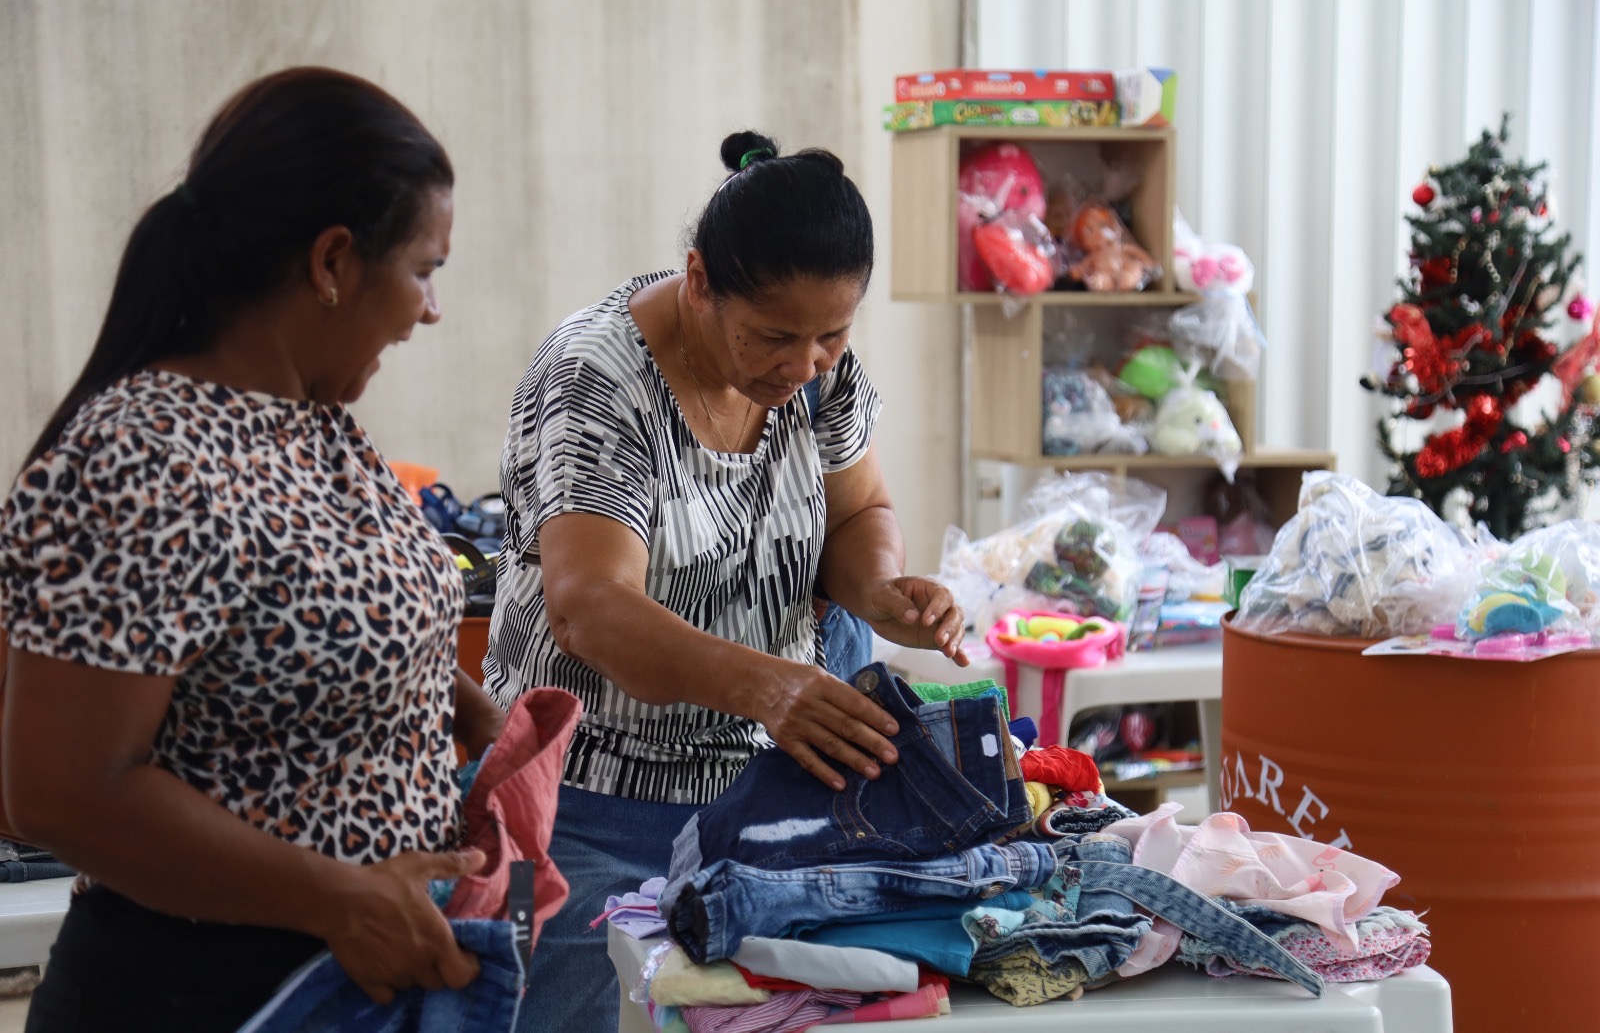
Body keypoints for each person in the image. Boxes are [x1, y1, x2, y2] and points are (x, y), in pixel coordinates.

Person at [0, 67, 507, 1032]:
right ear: (332, 261)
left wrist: (462, 711)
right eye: (424, 270)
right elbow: (63, 793)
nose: (430, 310)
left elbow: (305, 631)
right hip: (203, 993)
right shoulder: (141, 458)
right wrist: (339, 899)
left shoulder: (311, 421)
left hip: (348, 982)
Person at [483, 130, 970, 1032]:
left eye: (832, 335)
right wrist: (769, 687)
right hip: (589, 801)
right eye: (775, 337)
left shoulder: (816, 373)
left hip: (762, 796)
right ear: (700, 280)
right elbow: (590, 608)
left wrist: (878, 590)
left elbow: (858, 511)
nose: (803, 364)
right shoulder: (597, 377)